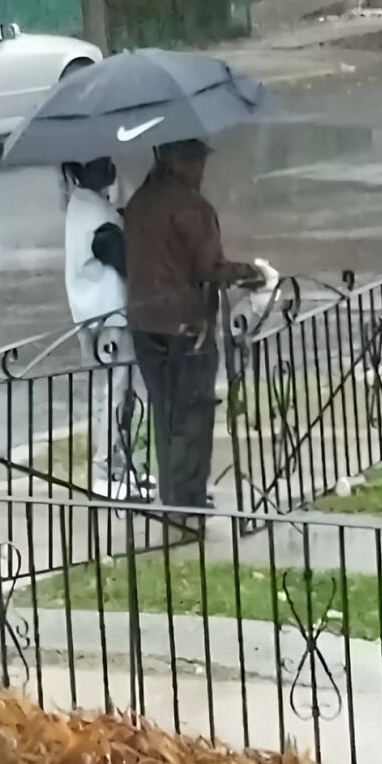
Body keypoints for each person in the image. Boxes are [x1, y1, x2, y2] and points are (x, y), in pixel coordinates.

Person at [123, 139, 263, 511]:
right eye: (197, 162)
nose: (202, 171)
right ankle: (187, 503)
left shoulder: (138, 203)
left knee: (165, 411)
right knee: (192, 414)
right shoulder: (193, 208)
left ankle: (172, 498)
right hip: (186, 326)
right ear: (178, 163)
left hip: (144, 322)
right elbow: (209, 267)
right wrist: (250, 273)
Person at [63, 156, 151, 500]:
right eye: (99, 163)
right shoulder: (96, 214)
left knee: (121, 392)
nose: (109, 166)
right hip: (109, 318)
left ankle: (122, 466)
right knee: (115, 393)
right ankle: (104, 472)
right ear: (78, 172)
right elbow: (120, 255)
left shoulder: (83, 206)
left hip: (93, 314)